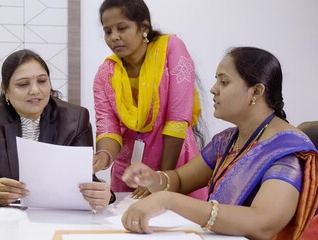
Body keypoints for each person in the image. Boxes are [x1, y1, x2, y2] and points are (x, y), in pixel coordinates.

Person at [121, 47, 318, 239]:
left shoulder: (286, 150)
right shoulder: (226, 140)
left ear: (256, 91)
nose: (213, 89)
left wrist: (167, 200)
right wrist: (154, 179)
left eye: (224, 82)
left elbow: (262, 223)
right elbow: (181, 180)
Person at [0, 49, 115, 211]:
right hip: (4, 219)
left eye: (42, 81)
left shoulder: (75, 119)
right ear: (5, 90)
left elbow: (85, 179)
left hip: (55, 219)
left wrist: (104, 195)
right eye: (23, 84)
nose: (35, 90)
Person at [92, 0, 207, 200]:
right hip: (128, 175)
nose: (114, 37)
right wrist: (102, 158)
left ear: (143, 27)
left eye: (122, 28)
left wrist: (162, 179)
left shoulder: (170, 49)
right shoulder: (106, 73)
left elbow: (178, 119)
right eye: (108, 31)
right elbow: (108, 129)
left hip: (175, 166)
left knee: (179, 228)